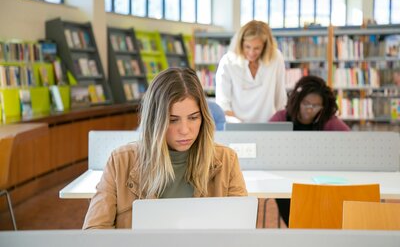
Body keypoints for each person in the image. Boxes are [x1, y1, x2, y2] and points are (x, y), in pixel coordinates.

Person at [83, 67, 247, 229]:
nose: (184, 130)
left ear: (203, 118)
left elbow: (241, 231)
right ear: (155, 121)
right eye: (173, 120)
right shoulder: (121, 161)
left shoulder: (226, 160)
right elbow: (95, 230)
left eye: (193, 118)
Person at [269, 75, 350, 226]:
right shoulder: (281, 118)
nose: (310, 109)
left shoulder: (328, 121)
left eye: (316, 105)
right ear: (298, 100)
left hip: (319, 180)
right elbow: (266, 143)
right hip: (287, 179)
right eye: (306, 103)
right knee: (295, 218)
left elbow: (351, 142)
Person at [215, 20, 287, 123]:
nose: (251, 53)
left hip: (269, 127)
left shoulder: (275, 58)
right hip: (237, 128)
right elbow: (223, 104)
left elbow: (280, 98)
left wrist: (279, 123)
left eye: (257, 48)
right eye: (247, 47)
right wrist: (240, 126)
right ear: (240, 43)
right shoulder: (227, 61)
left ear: (265, 46)